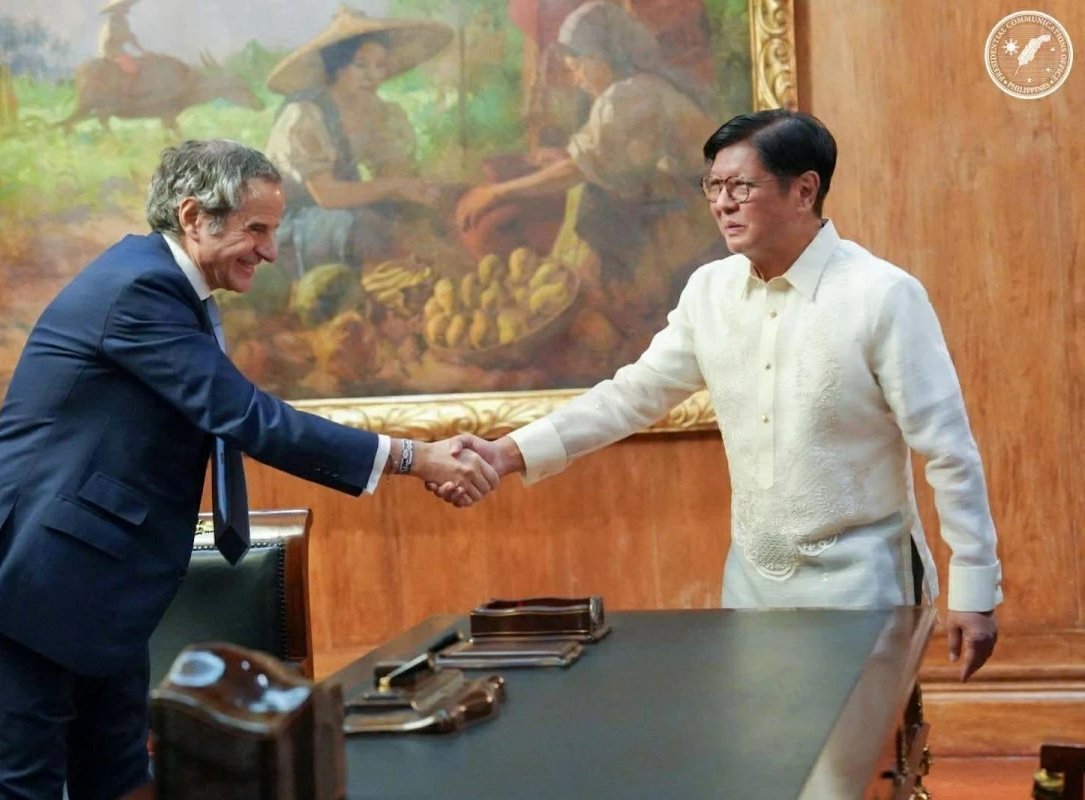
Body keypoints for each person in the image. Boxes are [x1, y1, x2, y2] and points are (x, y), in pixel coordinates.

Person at [0, 139, 498, 799]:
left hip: (98, 583)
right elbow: (248, 417)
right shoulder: (138, 288)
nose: (272, 251)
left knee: (120, 782)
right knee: (27, 790)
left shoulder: (172, 289)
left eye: (274, 230)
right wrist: (414, 455)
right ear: (195, 216)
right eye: (257, 229)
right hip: (33, 579)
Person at [441, 109, 1002, 682]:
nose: (721, 203)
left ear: (804, 189)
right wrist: (505, 453)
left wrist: (974, 588)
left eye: (741, 186)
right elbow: (630, 395)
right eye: (713, 185)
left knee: (861, 767)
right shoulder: (710, 291)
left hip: (866, 590)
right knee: (762, 758)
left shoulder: (883, 295)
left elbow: (949, 450)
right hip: (751, 587)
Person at [457, 0, 721, 325]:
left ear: (608, 54)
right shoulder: (628, 90)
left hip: (703, 205)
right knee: (597, 189)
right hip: (681, 189)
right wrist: (568, 160)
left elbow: (582, 167)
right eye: (571, 68)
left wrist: (498, 193)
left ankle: (612, 297)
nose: (577, 77)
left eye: (581, 64)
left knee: (594, 201)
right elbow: (606, 154)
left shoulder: (632, 94)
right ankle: (601, 292)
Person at [263, 8, 451, 276]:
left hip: (344, 205)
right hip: (293, 222)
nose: (371, 76)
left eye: (380, 66)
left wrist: (416, 190)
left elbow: (392, 172)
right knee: (365, 226)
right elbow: (325, 194)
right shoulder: (305, 114)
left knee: (411, 216)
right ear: (338, 67)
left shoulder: (379, 113)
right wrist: (396, 186)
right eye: (360, 65)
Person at [98, 0, 144, 77]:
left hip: (119, 50)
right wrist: (132, 40)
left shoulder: (123, 21)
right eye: (123, 6)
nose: (125, 8)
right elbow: (125, 36)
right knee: (132, 68)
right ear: (117, 9)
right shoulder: (114, 20)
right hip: (112, 50)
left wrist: (142, 50)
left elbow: (130, 37)